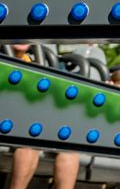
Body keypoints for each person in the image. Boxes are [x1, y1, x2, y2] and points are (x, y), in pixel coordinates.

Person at [3, 45, 80, 189]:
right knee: (29, 144)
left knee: (69, 150)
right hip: (10, 119)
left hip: (33, 119)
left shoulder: (40, 61)